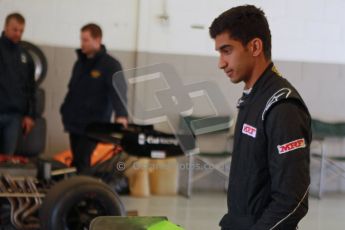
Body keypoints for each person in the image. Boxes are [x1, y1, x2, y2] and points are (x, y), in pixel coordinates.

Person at [209, 5, 311, 230]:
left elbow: (292, 201)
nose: (221, 63)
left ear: (255, 46)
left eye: (227, 51)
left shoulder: (282, 106)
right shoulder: (252, 97)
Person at [60, 23, 128, 173]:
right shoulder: (80, 63)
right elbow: (72, 90)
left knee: (83, 162)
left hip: (94, 125)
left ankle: (86, 194)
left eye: (86, 40)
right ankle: (77, 193)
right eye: (81, 39)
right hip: (75, 123)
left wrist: (121, 115)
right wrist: (64, 110)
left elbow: (119, 91)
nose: (82, 44)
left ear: (97, 40)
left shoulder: (110, 65)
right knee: (77, 162)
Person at [0, 13, 35, 154]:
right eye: (15, 30)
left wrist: (30, 115)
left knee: (8, 160)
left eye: (21, 31)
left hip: (14, 118)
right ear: (6, 27)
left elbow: (31, 88)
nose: (18, 34)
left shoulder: (25, 56)